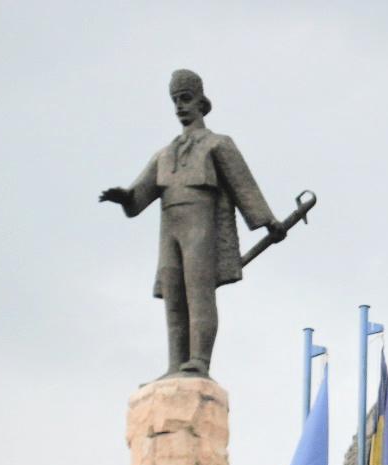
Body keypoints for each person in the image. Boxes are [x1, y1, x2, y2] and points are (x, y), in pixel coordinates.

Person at [100, 69, 285, 377]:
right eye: (175, 101)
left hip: (201, 224)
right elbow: (138, 198)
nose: (179, 107)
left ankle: (199, 359)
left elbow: (243, 185)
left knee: (198, 292)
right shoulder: (164, 154)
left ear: (201, 102)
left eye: (185, 99)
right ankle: (175, 364)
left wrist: (267, 221)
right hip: (170, 226)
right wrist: (124, 198)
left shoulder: (217, 144)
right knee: (173, 295)